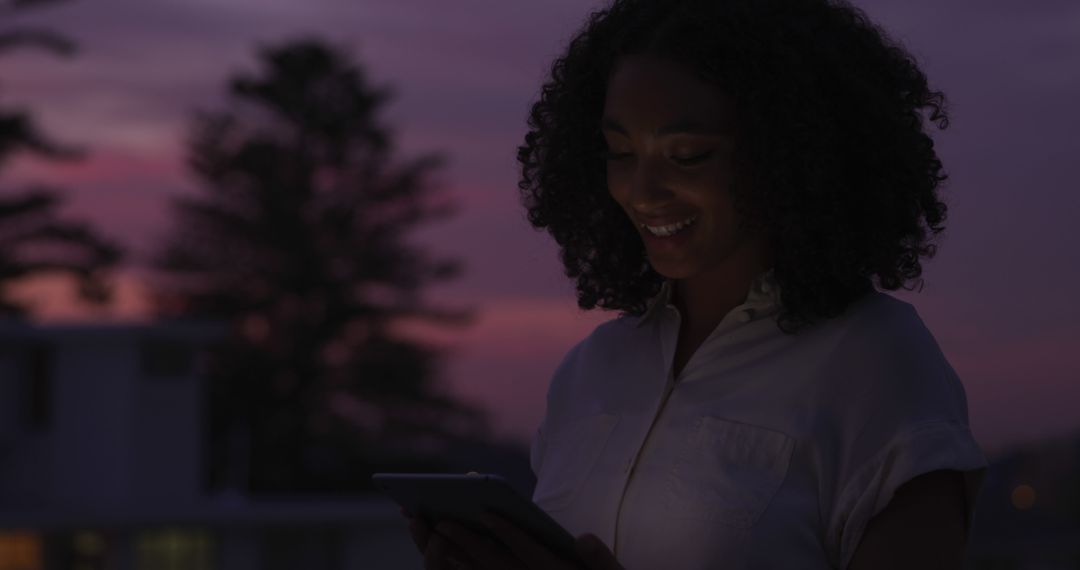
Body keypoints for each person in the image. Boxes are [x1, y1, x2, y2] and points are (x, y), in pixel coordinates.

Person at [403, 0, 989, 567]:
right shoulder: (590, 373)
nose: (642, 190)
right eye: (620, 151)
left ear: (789, 152)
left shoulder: (879, 362)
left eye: (687, 155)